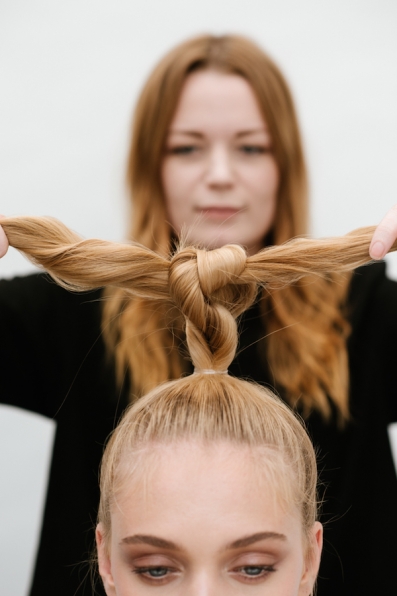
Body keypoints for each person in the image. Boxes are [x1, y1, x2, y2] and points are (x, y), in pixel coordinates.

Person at [0, 34, 397, 596]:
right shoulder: (73, 317)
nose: (219, 173)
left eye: (251, 148)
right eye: (187, 148)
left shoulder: (368, 314)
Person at [2, 218, 392, 596]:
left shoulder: (366, 314)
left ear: (310, 560)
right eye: (156, 570)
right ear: (105, 562)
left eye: (253, 568)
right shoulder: (70, 318)